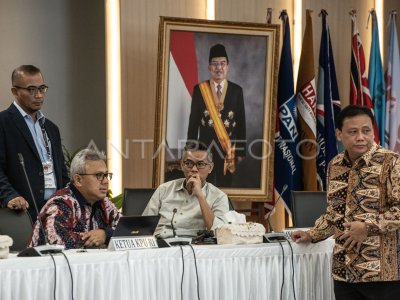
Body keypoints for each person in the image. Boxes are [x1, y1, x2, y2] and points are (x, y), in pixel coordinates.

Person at [291, 105, 400, 300]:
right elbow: (335, 213)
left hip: (382, 274)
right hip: (344, 271)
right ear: (339, 134)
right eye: (353, 132)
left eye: (366, 131)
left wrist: (367, 227)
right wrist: (311, 234)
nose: (361, 137)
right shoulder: (335, 165)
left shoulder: (391, 162)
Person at [0, 65, 69, 220]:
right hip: (21, 213)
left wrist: (70, 200)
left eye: (42, 88)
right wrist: (10, 196)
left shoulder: (51, 128)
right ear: (15, 91)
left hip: (54, 211)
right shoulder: (3, 123)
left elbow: (61, 172)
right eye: (31, 89)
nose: (39, 95)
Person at [30, 149, 120, 249]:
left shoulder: (105, 204)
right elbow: (56, 240)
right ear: (78, 180)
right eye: (99, 175)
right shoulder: (61, 203)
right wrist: (99, 239)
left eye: (106, 175)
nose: (106, 181)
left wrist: (105, 234)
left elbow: (129, 231)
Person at [187, 44, 246, 187]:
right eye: (214, 64)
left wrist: (241, 151)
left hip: (228, 150)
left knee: (225, 189)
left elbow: (241, 122)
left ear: (228, 66)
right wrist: (190, 150)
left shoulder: (236, 90)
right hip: (204, 149)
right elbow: (193, 122)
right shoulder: (200, 90)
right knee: (204, 187)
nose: (218, 67)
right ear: (209, 67)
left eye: (222, 63)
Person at [143, 141, 229, 238]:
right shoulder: (164, 189)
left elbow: (220, 233)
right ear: (182, 165)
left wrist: (200, 195)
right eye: (188, 163)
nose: (194, 169)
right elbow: (143, 226)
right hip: (160, 244)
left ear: (210, 168)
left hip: (194, 248)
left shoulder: (219, 197)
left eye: (200, 164)